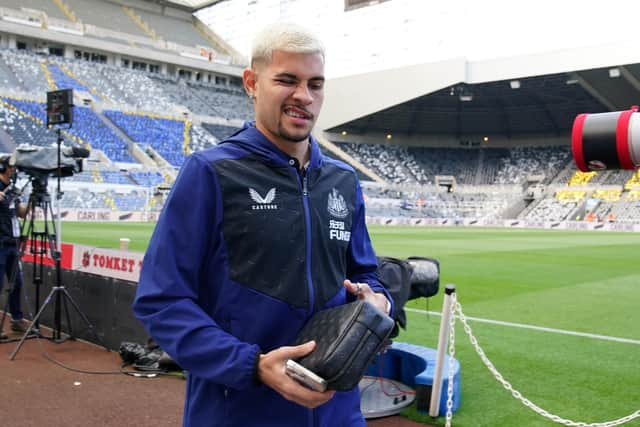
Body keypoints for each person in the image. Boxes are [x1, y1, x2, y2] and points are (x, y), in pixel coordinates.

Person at [133, 22, 393, 427]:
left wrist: (378, 300)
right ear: (252, 83)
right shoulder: (210, 173)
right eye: (287, 80)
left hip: (338, 413)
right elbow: (161, 300)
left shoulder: (343, 180)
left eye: (315, 84)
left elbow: (365, 273)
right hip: (239, 411)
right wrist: (251, 366)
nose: (303, 96)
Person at [0, 155, 28, 336]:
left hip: (12, 242)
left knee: (16, 282)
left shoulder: (14, 190)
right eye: (12, 167)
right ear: (3, 168)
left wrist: (31, 203)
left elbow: (21, 213)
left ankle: (16, 320)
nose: (15, 170)